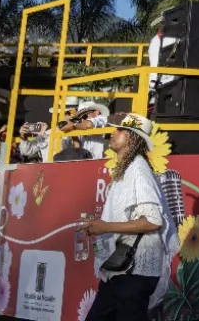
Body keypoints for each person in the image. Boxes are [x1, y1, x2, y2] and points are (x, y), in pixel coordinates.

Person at [82, 113, 176, 320]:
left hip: (134, 272)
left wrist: (105, 227)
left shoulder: (138, 171)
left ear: (134, 138)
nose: (113, 133)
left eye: (120, 131)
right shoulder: (129, 169)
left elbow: (152, 220)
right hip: (126, 271)